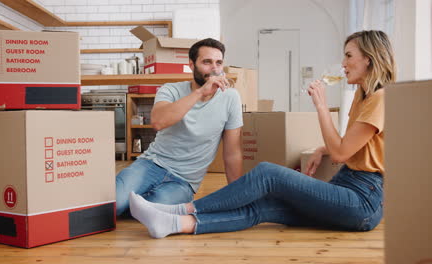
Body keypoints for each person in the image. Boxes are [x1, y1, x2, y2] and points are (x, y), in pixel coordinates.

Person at [128, 30, 396, 238]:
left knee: (268, 173)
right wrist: (322, 149)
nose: (343, 62)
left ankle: (183, 209)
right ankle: (174, 223)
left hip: (362, 200)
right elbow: (355, 146)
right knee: (263, 207)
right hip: (348, 188)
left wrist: (322, 106)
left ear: (368, 59)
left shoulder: (381, 99)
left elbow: (342, 152)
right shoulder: (366, 96)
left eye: (349, 55)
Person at [115, 38, 244, 216]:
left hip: (184, 182)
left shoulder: (231, 97)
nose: (214, 68)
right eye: (207, 62)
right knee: (113, 205)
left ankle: (135, 204)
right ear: (191, 64)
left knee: (151, 210)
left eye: (218, 62)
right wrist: (200, 93)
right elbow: (158, 121)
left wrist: (236, 196)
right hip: (151, 164)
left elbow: (232, 153)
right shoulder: (170, 90)